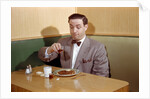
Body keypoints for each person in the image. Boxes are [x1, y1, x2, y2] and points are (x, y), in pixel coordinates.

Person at [38, 13, 110, 77]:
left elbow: (101, 75)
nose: (74, 31)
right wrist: (49, 50)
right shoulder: (62, 42)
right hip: (65, 85)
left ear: (85, 27)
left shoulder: (98, 47)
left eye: (78, 27)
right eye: (71, 27)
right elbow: (43, 56)